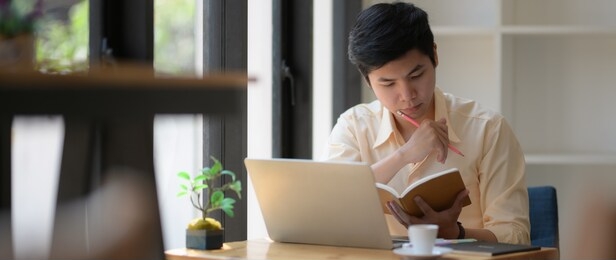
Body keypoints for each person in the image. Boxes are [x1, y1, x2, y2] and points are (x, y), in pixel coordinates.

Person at [320, 2, 529, 244]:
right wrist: (404, 155)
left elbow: (516, 236)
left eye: (416, 75)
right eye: (388, 84)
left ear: (435, 55)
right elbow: (330, 209)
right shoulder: (353, 127)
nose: (407, 95)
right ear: (367, 81)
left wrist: (456, 233)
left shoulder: (487, 129)